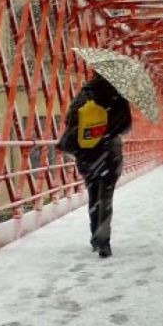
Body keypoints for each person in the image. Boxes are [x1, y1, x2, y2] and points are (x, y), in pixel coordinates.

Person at [58, 73, 132, 258]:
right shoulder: (117, 96)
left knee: (93, 196)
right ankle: (103, 241)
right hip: (109, 153)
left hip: (87, 154)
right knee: (106, 198)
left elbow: (69, 120)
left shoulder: (84, 94)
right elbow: (125, 126)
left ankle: (94, 237)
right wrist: (108, 129)